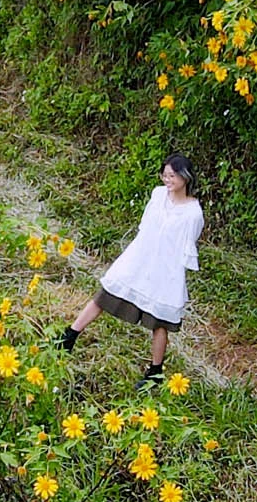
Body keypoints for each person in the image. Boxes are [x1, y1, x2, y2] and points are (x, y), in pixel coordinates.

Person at [58, 154, 204, 382]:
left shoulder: (193, 212)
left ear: (185, 177)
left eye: (172, 176)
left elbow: (187, 247)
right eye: (165, 175)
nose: (167, 180)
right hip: (140, 258)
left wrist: (173, 274)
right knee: (105, 294)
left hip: (166, 269)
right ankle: (69, 336)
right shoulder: (158, 196)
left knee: (159, 321)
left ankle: (155, 372)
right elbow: (144, 228)